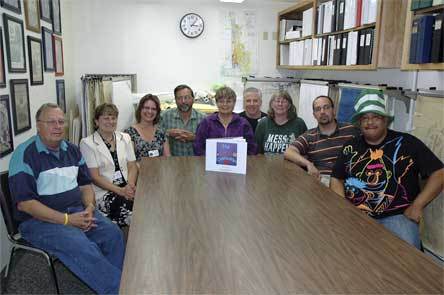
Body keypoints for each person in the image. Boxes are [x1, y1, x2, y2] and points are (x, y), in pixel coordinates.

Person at [8, 103, 124, 294]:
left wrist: (88, 206)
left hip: (76, 211)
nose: (57, 126)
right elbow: (26, 204)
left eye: (61, 122)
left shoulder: (72, 149)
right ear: (38, 125)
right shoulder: (24, 155)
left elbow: (85, 185)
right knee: (80, 245)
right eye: (51, 122)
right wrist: (67, 221)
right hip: (38, 222)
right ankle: (119, 289)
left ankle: (113, 280)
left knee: (113, 234)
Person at [329, 90, 444, 249]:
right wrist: (342, 207)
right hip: (355, 215)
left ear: (385, 121)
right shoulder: (350, 146)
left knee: (409, 259)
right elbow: (336, 178)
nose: (370, 122)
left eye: (376, 117)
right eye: (365, 118)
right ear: (359, 123)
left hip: (397, 216)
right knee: (337, 249)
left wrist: (417, 205)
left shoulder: (408, 143)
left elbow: (439, 173)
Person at [80, 103, 138, 228]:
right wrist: (121, 191)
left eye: (113, 118)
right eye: (106, 118)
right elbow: (94, 177)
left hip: (127, 188)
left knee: (149, 204)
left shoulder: (125, 138)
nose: (110, 121)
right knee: (135, 214)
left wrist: (130, 185)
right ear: (96, 121)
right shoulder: (87, 143)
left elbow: (132, 165)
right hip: (105, 192)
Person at [284, 95, 359, 181]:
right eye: (318, 109)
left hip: (349, 180)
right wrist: (308, 164)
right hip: (323, 181)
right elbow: (288, 152)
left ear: (334, 110)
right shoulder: (309, 136)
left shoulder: (351, 130)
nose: (322, 112)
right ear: (314, 115)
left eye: (326, 107)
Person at [193, 86, 257, 156]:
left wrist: (241, 160)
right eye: (221, 101)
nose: (225, 104)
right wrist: (210, 159)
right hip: (211, 165)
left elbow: (252, 148)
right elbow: (198, 147)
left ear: (234, 103)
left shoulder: (243, 124)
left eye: (229, 101)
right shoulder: (206, 123)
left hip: (237, 165)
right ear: (216, 103)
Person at [255, 90, 307, 155]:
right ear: (271, 104)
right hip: (267, 164)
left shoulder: (299, 124)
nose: (280, 104)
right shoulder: (263, 123)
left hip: (292, 164)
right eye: (277, 101)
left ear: (289, 105)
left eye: (284, 101)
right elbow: (257, 152)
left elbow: (305, 151)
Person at [160, 84, 206, 156]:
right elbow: (153, 135)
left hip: (196, 162)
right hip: (173, 162)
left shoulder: (203, 119)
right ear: (175, 100)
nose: (183, 101)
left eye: (186, 97)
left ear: (193, 99)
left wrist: (195, 138)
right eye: (179, 98)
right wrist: (168, 133)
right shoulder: (164, 116)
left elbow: (210, 142)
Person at [125, 94, 171, 160]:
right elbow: (130, 162)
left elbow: (167, 157)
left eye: (153, 109)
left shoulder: (161, 132)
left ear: (157, 112)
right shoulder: (130, 133)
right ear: (140, 109)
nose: (150, 111)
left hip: (160, 169)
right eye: (146, 108)